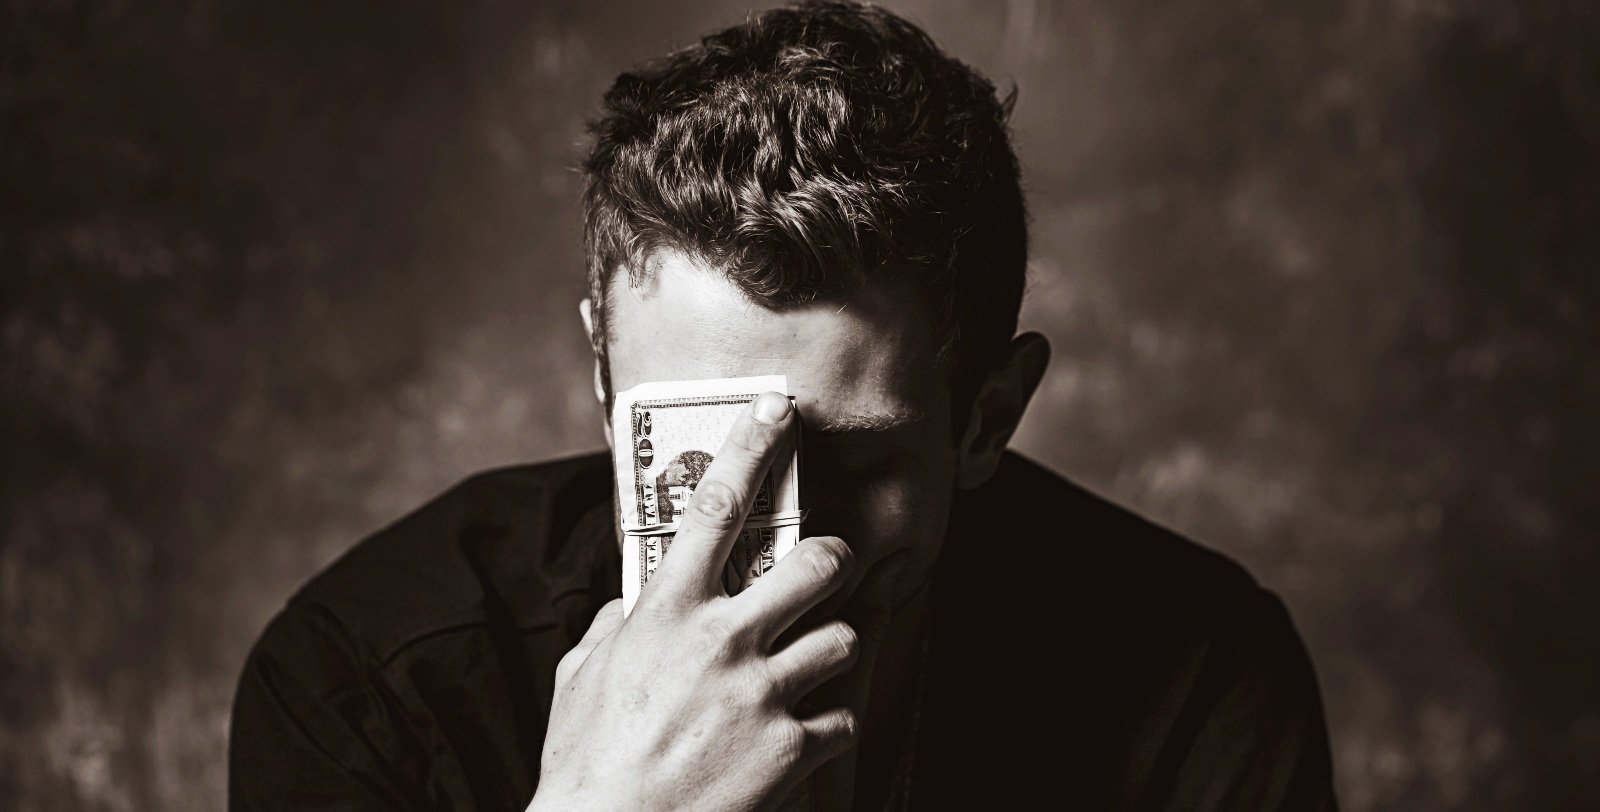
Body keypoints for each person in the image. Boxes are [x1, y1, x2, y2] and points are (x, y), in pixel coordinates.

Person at [229, 2, 1337, 809]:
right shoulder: (369, 674)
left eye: (852, 460)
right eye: (704, 448)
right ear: (606, 382)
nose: (782, 539)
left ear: (986, 416)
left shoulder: (1200, 672)